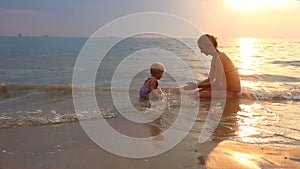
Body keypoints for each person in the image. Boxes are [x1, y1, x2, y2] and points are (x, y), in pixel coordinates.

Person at [183, 34, 241, 99]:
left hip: (233, 93)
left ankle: (204, 108)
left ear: (209, 46)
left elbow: (216, 83)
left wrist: (196, 85)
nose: (201, 51)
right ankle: (206, 108)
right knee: (197, 92)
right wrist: (195, 85)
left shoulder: (220, 58)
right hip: (224, 90)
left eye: (202, 48)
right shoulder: (215, 58)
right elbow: (210, 79)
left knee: (199, 95)